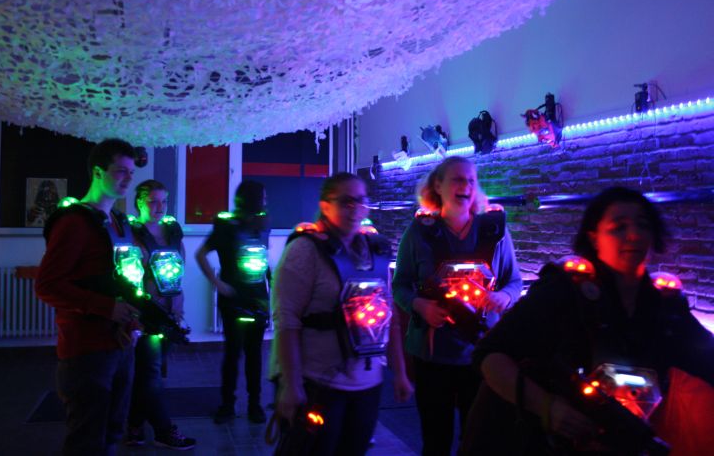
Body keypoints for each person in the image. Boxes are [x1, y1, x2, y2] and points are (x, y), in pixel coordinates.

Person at [460, 186, 714, 455]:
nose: (634, 235)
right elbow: (490, 355)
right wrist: (548, 407)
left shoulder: (666, 307)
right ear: (594, 237)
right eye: (619, 227)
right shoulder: (565, 290)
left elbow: (706, 359)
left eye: (643, 225)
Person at [271, 172, 413, 455]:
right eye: (346, 201)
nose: (355, 208)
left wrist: (400, 373)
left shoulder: (375, 252)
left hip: (367, 385)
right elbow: (286, 321)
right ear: (325, 205)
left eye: (361, 201)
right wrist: (291, 385)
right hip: (316, 382)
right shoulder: (304, 251)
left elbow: (390, 318)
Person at [392, 156, 522, 456]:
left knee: (478, 442)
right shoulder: (419, 233)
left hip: (482, 355)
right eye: (458, 179)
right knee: (435, 440)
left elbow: (514, 282)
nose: (466, 186)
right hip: (432, 355)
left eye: (471, 181)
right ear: (438, 185)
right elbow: (400, 286)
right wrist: (420, 305)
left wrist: (504, 298)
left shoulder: (495, 232)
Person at [36, 138, 141, 456]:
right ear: (97, 172)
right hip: (86, 351)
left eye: (131, 172)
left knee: (112, 433)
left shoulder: (118, 222)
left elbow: (123, 278)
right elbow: (47, 285)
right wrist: (107, 308)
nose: (128, 179)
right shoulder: (74, 222)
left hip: (121, 344)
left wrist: (133, 319)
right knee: (87, 441)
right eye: (120, 171)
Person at [124, 180, 196, 450]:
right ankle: (164, 430)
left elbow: (179, 273)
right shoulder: (131, 234)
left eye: (163, 201)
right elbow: (128, 277)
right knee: (151, 374)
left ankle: (133, 427)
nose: (159, 207)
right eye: (152, 201)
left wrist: (177, 312)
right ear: (139, 202)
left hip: (171, 315)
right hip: (146, 315)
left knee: (148, 374)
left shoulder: (173, 233)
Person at [195, 180, 272, 424]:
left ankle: (254, 405)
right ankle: (228, 405)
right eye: (263, 197)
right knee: (233, 353)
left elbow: (263, 257)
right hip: (233, 300)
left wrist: (272, 283)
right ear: (252, 199)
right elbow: (200, 254)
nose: (266, 201)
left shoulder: (263, 225)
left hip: (257, 298)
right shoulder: (225, 226)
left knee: (254, 354)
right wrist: (218, 284)